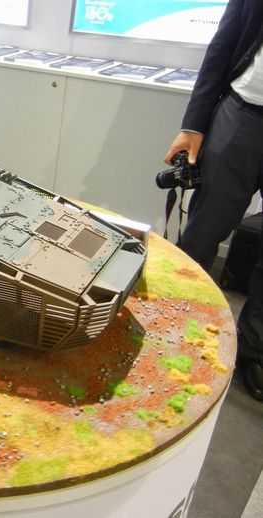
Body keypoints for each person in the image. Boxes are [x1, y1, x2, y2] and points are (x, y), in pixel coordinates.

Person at [164, 0, 263, 400]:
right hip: (242, 114)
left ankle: (255, 347)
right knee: (202, 234)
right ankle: (176, 324)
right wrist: (194, 124)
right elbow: (223, 45)